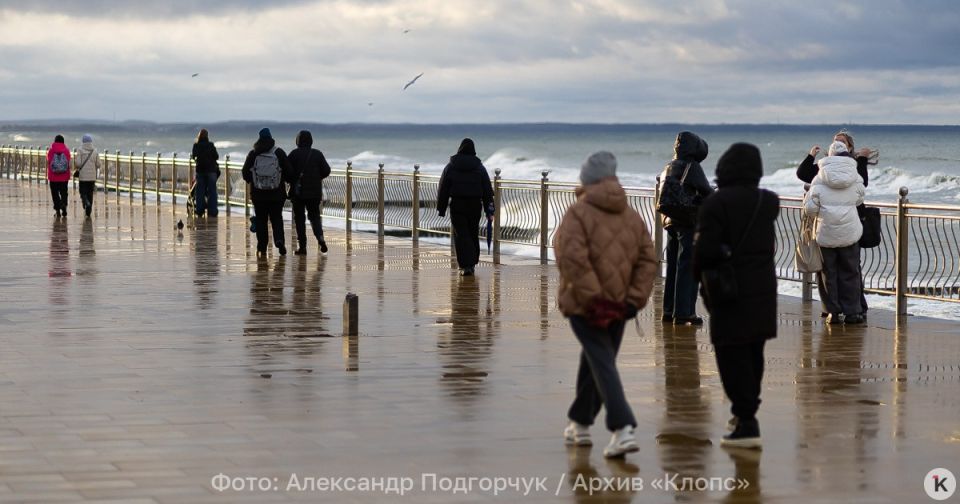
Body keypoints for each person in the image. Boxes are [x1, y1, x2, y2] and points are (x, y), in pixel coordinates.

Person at [553, 151, 657, 458]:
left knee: (601, 362)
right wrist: (633, 300)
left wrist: (593, 298)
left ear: (587, 180)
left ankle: (622, 428)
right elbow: (648, 260)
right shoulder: (631, 215)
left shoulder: (578, 213)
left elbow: (571, 258)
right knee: (597, 361)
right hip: (621, 306)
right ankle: (579, 423)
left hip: (587, 305)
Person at [693, 143, 780, 449]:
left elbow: (703, 251)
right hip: (763, 290)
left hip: (728, 290)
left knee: (730, 356)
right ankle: (747, 413)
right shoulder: (767, 202)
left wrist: (699, 281)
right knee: (754, 353)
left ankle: (745, 422)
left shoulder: (716, 204)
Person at [796, 129, 876, 319]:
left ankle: (832, 311)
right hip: (850, 229)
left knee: (827, 274)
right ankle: (853, 312)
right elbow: (859, 196)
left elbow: (810, 209)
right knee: (851, 272)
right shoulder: (854, 173)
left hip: (825, 232)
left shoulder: (819, 176)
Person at [657, 131, 712, 325]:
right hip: (688, 221)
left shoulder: (669, 166)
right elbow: (707, 191)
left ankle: (668, 310)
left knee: (673, 266)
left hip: (670, 220)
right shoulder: (692, 167)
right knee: (688, 266)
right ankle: (684, 312)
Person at [437, 138, 494, 276]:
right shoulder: (479, 167)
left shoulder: (451, 166)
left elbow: (443, 187)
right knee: (472, 232)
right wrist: (489, 209)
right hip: (475, 205)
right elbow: (487, 189)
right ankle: (472, 262)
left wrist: (442, 207)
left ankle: (465, 265)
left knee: (461, 234)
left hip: (458, 204)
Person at [242, 128, 291, 257]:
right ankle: (279, 241)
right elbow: (289, 171)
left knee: (261, 220)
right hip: (277, 194)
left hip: (258, 195)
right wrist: (284, 180)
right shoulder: (279, 153)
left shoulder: (253, 154)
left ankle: (262, 247)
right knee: (276, 218)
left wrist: (253, 181)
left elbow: (245, 173)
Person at [286, 130, 331, 255]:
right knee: (314, 216)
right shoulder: (317, 154)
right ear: (311, 141)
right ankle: (320, 238)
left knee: (299, 219)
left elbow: (287, 172)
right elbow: (327, 170)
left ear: (298, 141)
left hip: (298, 193)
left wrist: (293, 180)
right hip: (315, 192)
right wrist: (317, 177)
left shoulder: (293, 154)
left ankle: (303, 247)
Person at [191, 128, 220, 217]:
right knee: (212, 191)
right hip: (211, 171)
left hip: (200, 171)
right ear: (207, 136)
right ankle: (213, 211)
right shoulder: (211, 145)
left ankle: (199, 210)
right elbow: (216, 156)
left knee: (200, 191)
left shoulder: (196, 145)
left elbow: (193, 156)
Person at [74, 134, 100, 218]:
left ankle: (86, 203)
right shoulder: (95, 151)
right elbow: (99, 164)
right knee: (90, 193)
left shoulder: (80, 150)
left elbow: (78, 164)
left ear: (83, 141)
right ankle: (88, 211)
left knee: (83, 192)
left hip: (83, 177)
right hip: (92, 177)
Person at [47, 135, 72, 218]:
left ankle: (57, 210)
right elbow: (68, 162)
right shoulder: (66, 151)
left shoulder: (51, 151)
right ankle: (63, 204)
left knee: (55, 194)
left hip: (53, 177)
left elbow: (49, 161)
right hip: (64, 177)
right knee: (64, 192)